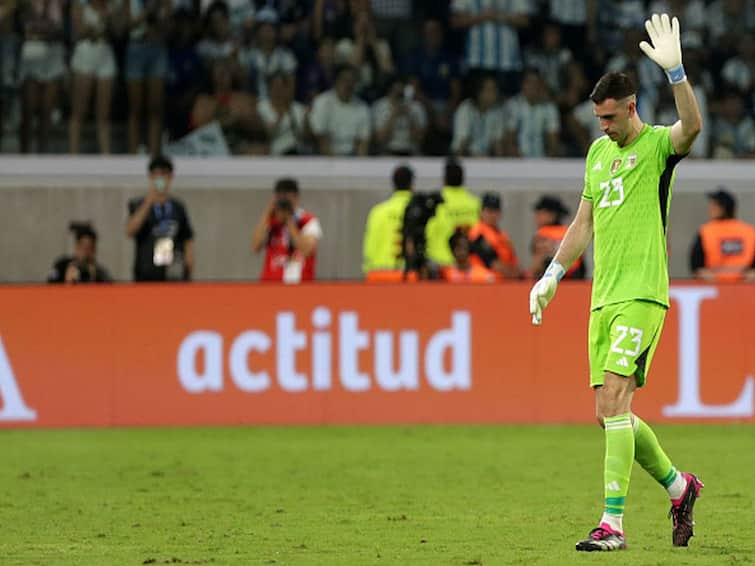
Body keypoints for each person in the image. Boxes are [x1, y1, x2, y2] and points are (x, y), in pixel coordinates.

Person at [528, 14, 704, 552]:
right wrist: (553, 274)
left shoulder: (655, 147)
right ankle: (680, 487)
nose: (602, 126)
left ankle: (613, 525)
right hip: (602, 299)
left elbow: (691, 128)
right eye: (597, 118)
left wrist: (676, 73)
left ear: (630, 107)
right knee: (608, 416)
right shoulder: (598, 154)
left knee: (618, 400)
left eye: (609, 116)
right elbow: (583, 222)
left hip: (643, 293)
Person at [126, 155, 195, 281]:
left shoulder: (178, 207)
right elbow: (130, 231)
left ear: (170, 177)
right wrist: (149, 202)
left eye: (163, 174)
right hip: (146, 273)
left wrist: (189, 266)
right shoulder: (138, 205)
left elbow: (187, 238)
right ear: (151, 177)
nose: (160, 179)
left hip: (173, 272)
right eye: (156, 175)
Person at [251, 178, 322, 283]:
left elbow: (306, 250)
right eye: (280, 197)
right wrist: (267, 214)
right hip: (271, 285)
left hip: (299, 285)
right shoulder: (270, 221)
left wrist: (289, 220)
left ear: (296, 198)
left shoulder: (308, 221)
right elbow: (255, 247)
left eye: (288, 198)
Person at [689, 188, 755, 282]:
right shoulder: (749, 231)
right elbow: (697, 267)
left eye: (714, 205)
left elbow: (696, 267)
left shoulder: (706, 231)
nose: (710, 209)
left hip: (720, 287)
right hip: (739, 287)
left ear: (724, 208)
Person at [362, 164, 414, 281]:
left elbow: (370, 246)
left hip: (379, 274)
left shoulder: (378, 212)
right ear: (411, 184)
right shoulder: (418, 211)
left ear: (394, 184)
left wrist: (369, 271)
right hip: (408, 275)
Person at [425, 159, 480, 267]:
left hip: (442, 266)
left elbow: (428, 234)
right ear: (463, 179)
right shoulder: (476, 204)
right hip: (469, 267)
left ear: (444, 179)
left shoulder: (436, 204)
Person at [309, 65, 371, 156]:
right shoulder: (322, 102)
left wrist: (359, 164)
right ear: (336, 82)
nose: (348, 85)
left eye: (352, 81)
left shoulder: (363, 107)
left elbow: (363, 142)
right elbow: (320, 138)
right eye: (344, 80)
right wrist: (336, 164)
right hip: (326, 157)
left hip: (352, 158)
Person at [529, 195, 585, 279]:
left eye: (541, 212)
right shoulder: (570, 231)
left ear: (552, 215)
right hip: (574, 278)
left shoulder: (542, 234)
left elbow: (537, 266)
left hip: (550, 279)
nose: (537, 216)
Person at [468, 192, 521, 279]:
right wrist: (515, 275)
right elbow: (492, 262)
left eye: (495, 211)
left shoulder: (502, 235)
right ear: (481, 212)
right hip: (484, 282)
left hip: (503, 281)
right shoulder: (478, 233)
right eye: (489, 211)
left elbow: (513, 260)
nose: (492, 215)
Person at [372, 75, 427, 156]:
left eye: (401, 91)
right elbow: (380, 139)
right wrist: (394, 115)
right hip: (388, 152)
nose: (399, 94)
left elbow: (419, 139)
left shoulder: (417, 107)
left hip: (411, 152)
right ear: (390, 90)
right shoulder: (380, 106)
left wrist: (409, 116)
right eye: (396, 90)